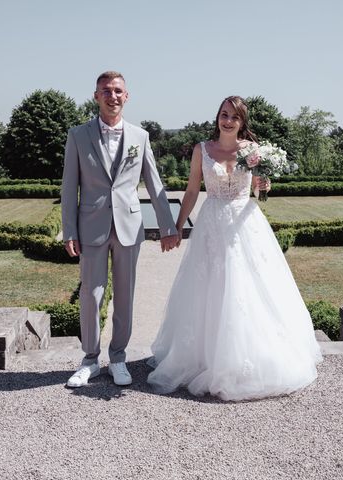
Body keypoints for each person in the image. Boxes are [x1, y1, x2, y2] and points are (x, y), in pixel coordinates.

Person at [147, 96, 322, 401]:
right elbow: (191, 190)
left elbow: (258, 190)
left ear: (242, 122)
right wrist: (177, 226)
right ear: (218, 117)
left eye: (234, 118)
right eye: (223, 115)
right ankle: (205, 357)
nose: (227, 121)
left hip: (245, 224)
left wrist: (264, 187)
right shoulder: (202, 150)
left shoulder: (253, 151)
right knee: (209, 288)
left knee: (250, 287)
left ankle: (248, 359)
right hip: (211, 225)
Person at [61, 71, 179, 388]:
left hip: (129, 226)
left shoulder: (140, 137)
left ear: (126, 96)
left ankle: (118, 358)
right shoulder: (77, 135)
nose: (112, 96)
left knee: (125, 296)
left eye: (117, 91)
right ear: (96, 96)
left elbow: (154, 184)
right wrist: (68, 230)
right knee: (91, 294)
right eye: (106, 91)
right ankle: (89, 360)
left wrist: (168, 225)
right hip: (91, 226)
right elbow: (69, 186)